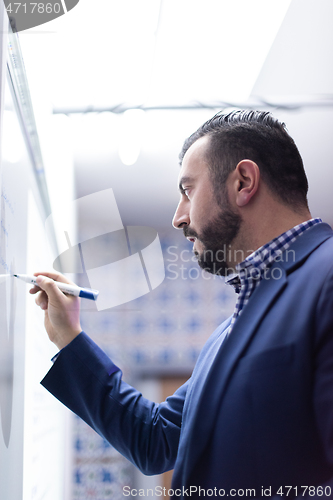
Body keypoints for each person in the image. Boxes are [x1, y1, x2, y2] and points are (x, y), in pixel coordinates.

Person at [31, 110, 333, 499]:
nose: (178, 217)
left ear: (243, 182)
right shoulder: (229, 332)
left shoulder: (325, 277)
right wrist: (69, 337)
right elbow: (154, 438)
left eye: (188, 191)